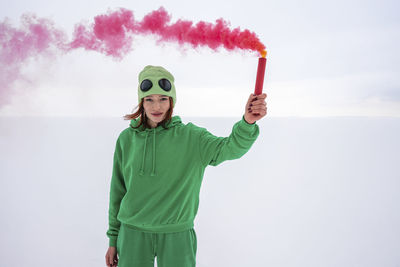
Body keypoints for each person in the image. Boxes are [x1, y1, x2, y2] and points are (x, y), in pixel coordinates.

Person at [105, 65, 267, 267]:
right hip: (132, 234)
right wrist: (113, 239)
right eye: (149, 100)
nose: (157, 107)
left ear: (172, 100)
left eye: (163, 99)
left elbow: (230, 148)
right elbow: (117, 191)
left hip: (177, 234)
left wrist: (248, 122)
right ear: (141, 101)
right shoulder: (127, 139)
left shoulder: (192, 138)